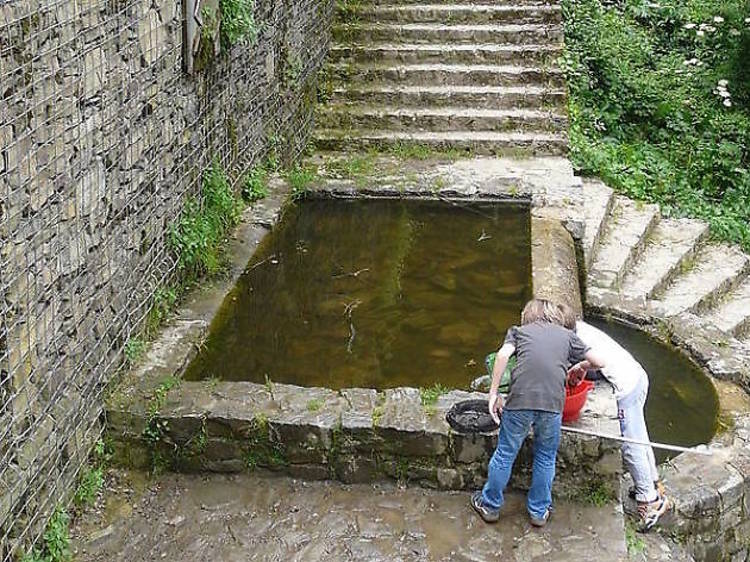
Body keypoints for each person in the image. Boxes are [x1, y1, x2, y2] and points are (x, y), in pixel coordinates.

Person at [470, 298, 605, 527]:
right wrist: (580, 367)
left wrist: (493, 394)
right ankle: (538, 511)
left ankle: (490, 505)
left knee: (505, 453)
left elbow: (502, 356)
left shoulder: (519, 332)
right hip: (552, 405)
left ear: (528, 317)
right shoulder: (568, 337)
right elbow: (600, 362)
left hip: (520, 402)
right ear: (555, 317)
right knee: (545, 456)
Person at [559, 304, 670, 532]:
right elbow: (598, 357)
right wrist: (581, 367)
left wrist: (578, 365)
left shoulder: (575, 340)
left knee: (630, 445)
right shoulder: (580, 327)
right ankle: (654, 484)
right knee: (640, 436)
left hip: (627, 387)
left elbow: (598, 361)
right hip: (637, 375)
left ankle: (649, 502)